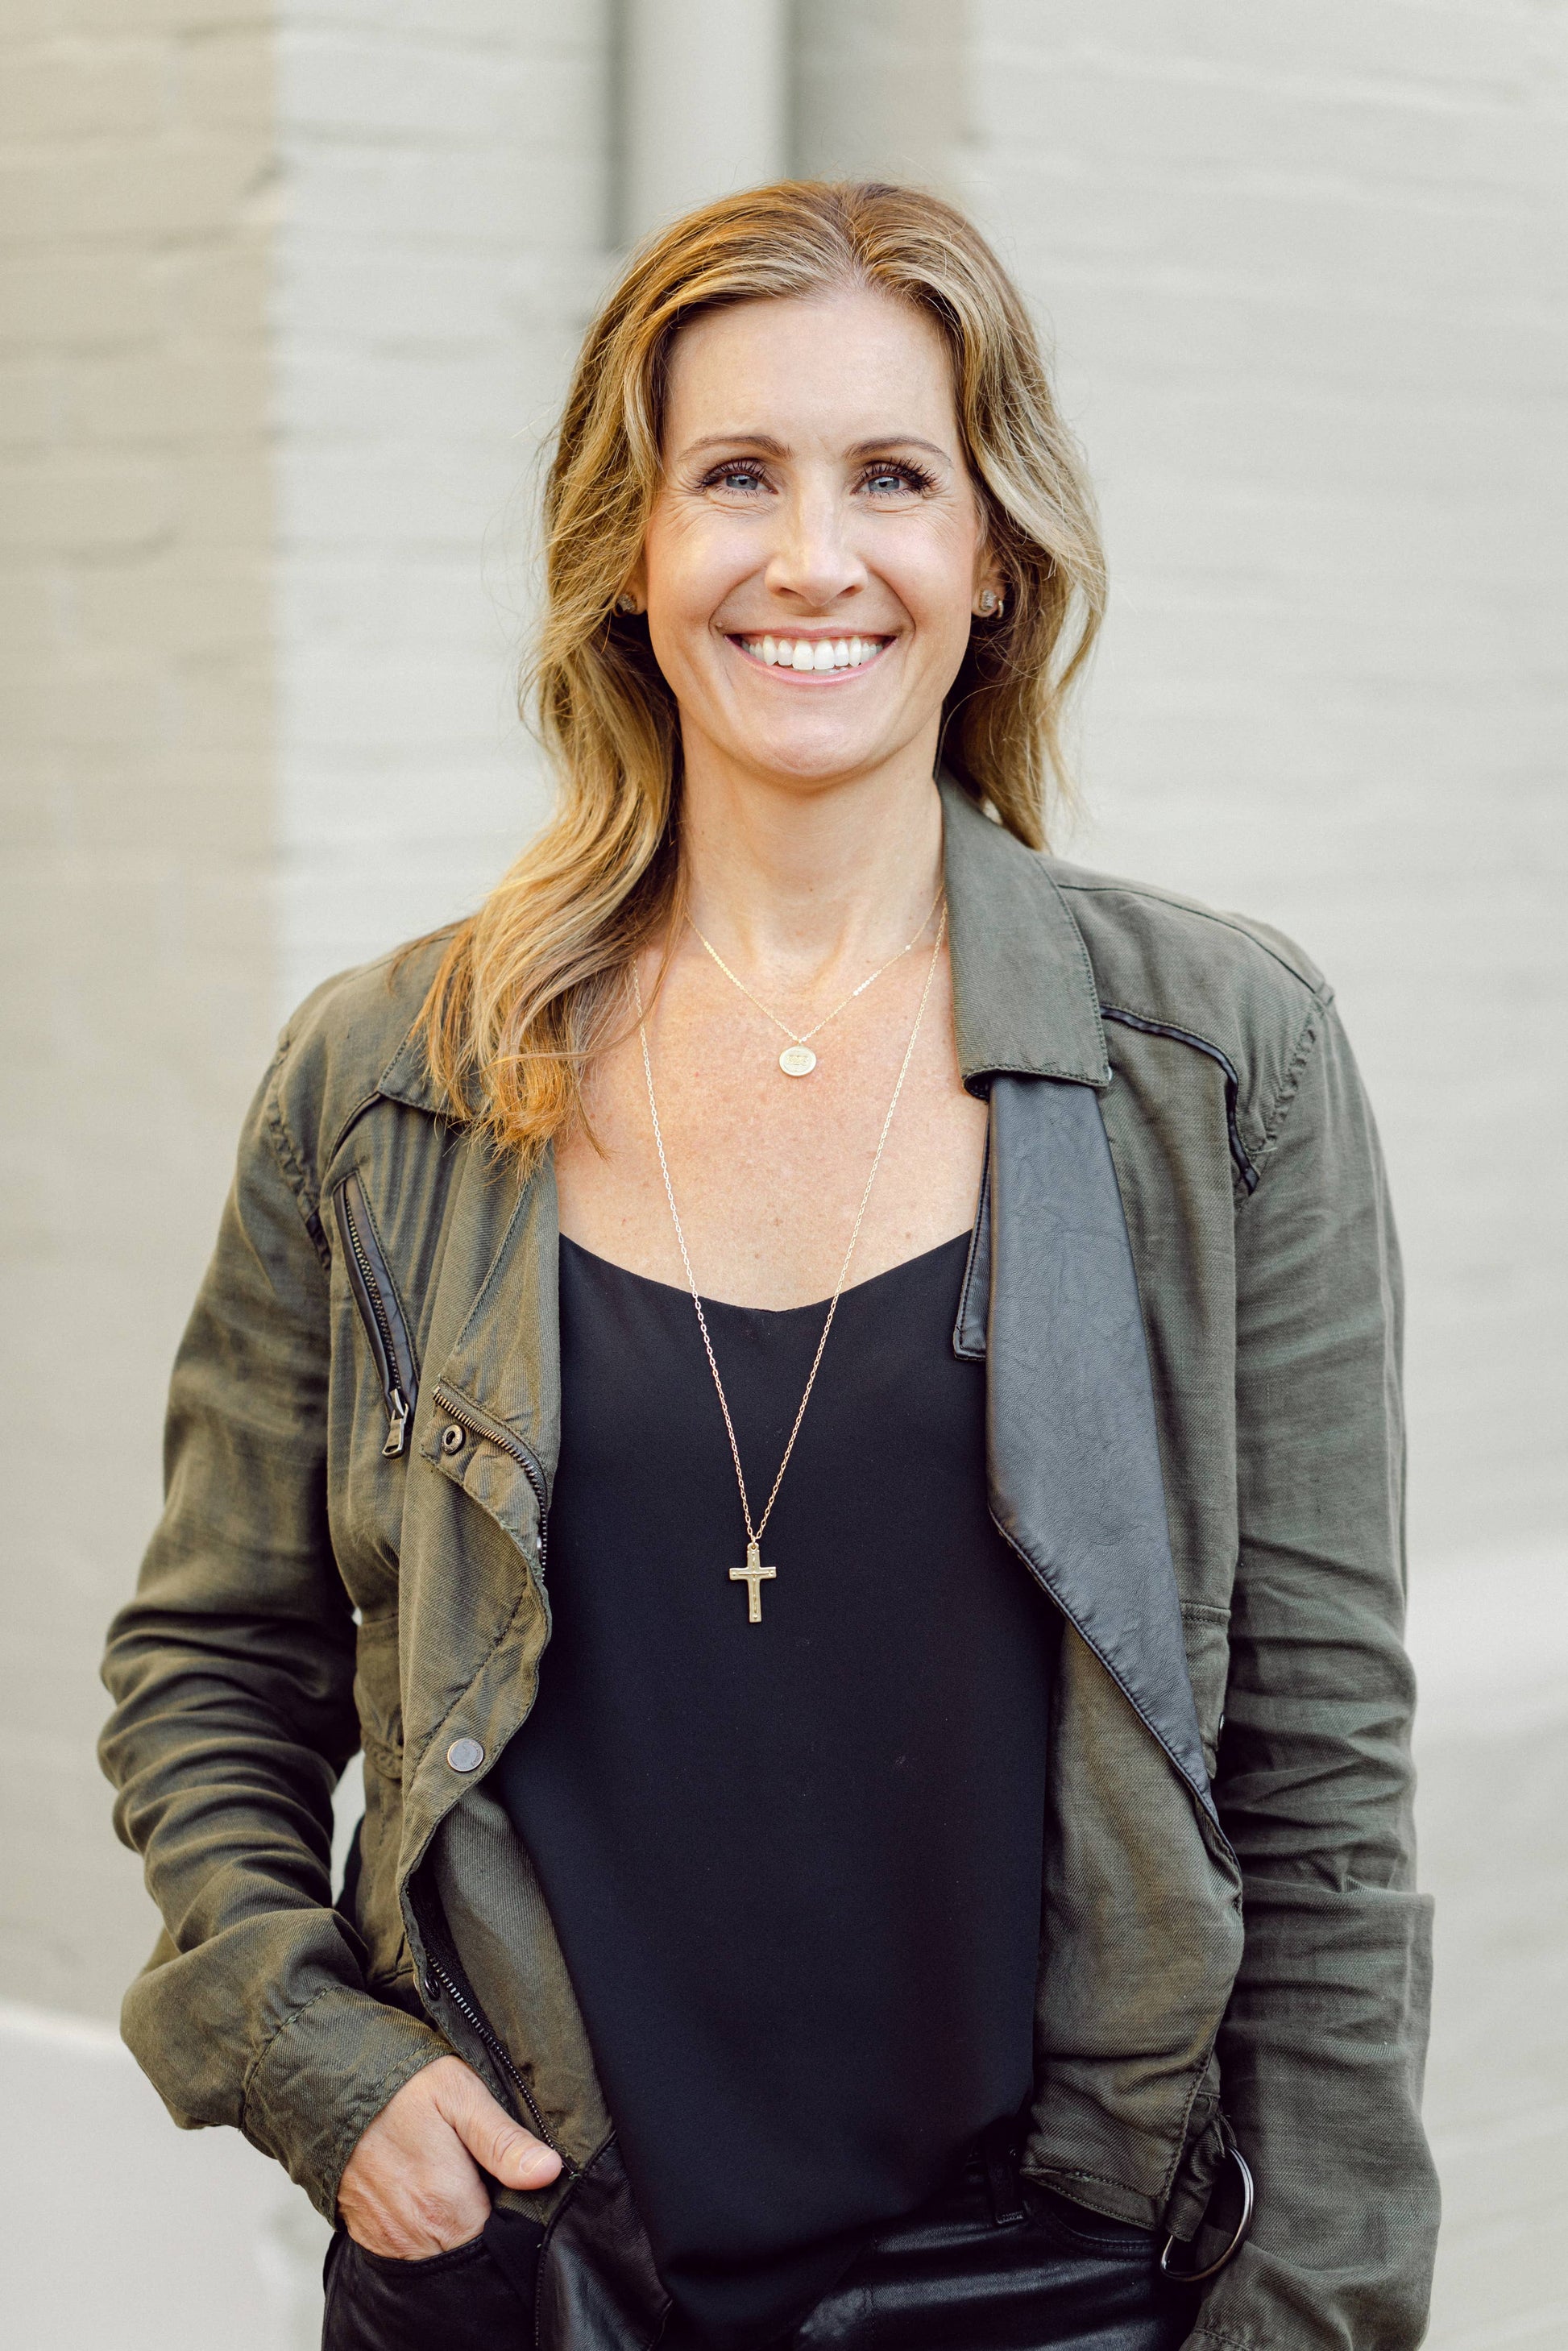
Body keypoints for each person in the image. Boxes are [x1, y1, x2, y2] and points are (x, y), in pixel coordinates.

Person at [100, 180, 1437, 2351]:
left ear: (989, 554)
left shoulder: (1215, 1064)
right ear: (631, 548)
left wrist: (1320, 2313)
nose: (811, 558)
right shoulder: (390, 1082)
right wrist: (313, 2064)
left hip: (1056, 2285)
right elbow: (207, 1663)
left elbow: (1321, 1779)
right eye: (735, 476)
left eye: (890, 477)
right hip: (533, 2276)